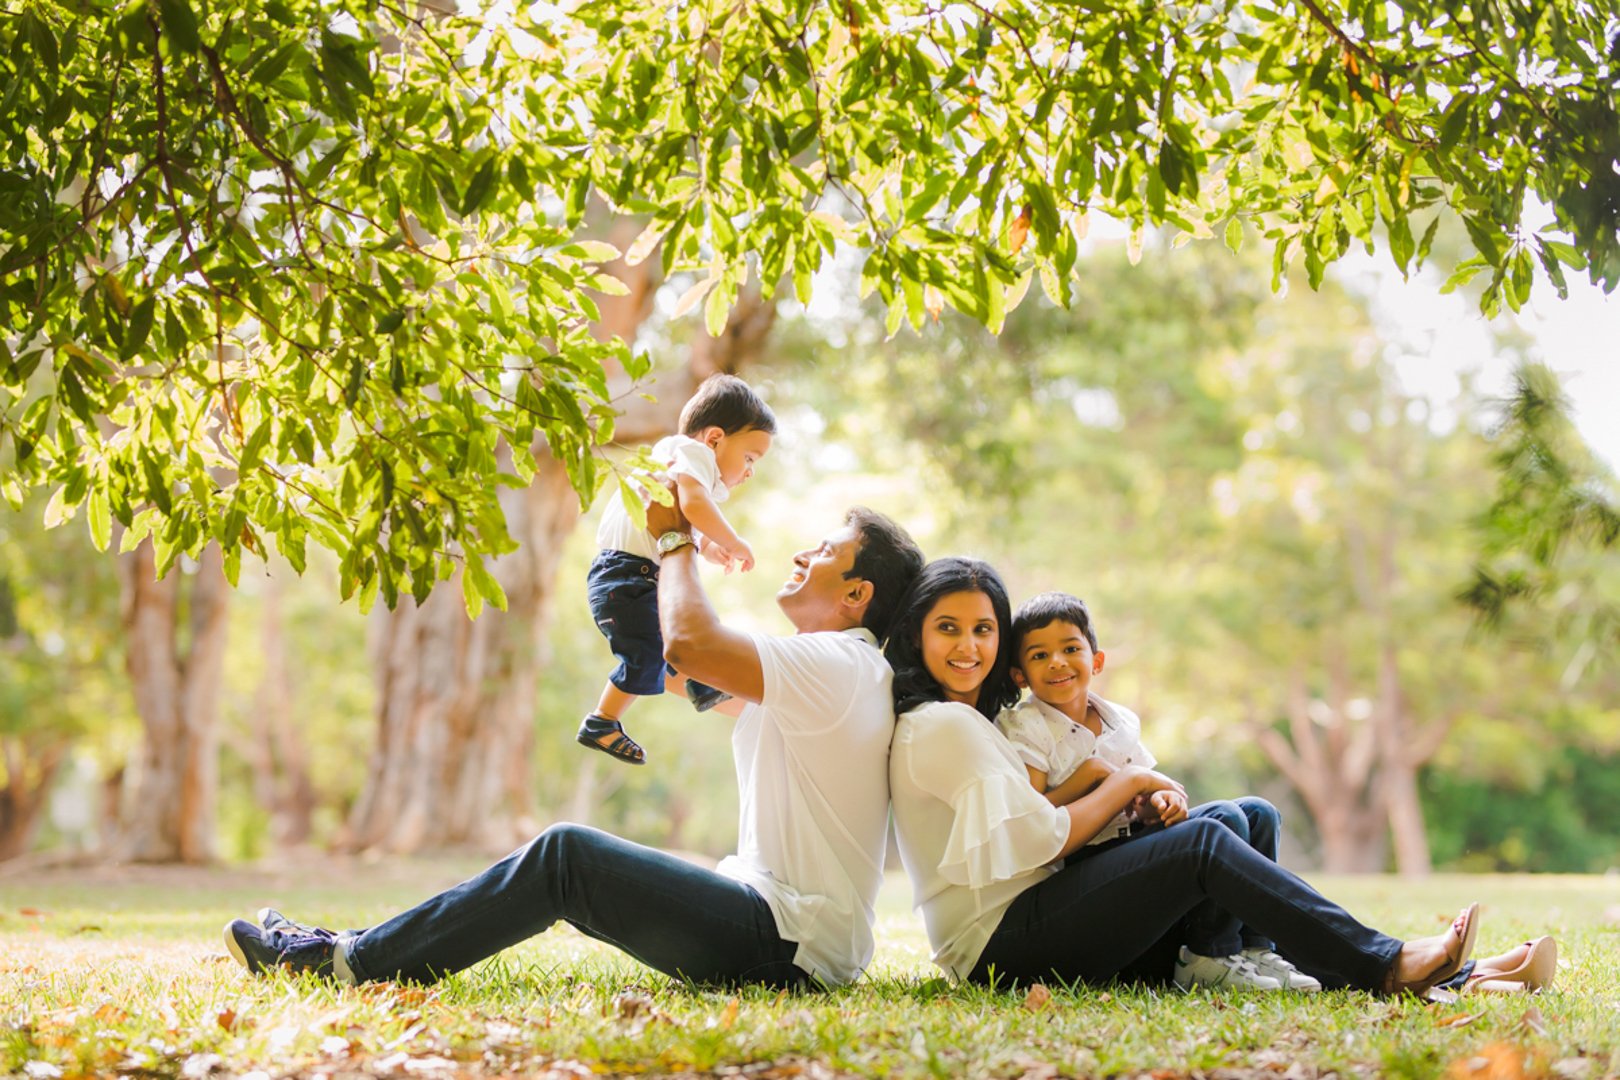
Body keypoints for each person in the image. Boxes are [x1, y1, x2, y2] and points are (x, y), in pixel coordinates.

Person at [223, 505, 926, 990]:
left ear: (857, 592)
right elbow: (685, 674)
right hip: (781, 930)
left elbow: (691, 645)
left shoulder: (840, 662)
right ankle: (350, 946)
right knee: (572, 860)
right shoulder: (828, 669)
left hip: (789, 946)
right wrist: (628, 584)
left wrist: (678, 539)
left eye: (826, 552)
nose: (804, 554)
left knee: (567, 856)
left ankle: (346, 964)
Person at [885, 556, 1486, 995]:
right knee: (1201, 844)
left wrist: (1143, 801)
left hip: (1055, 910)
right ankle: (1387, 962)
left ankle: (1455, 975)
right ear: (917, 634)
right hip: (999, 945)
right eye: (948, 628)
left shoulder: (976, 719)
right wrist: (1126, 783)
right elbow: (1040, 838)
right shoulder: (941, 724)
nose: (968, 646)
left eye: (983, 629)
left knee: (1244, 814)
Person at [996, 591, 1319, 991]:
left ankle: (1254, 950)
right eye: (1039, 655)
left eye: (1070, 648)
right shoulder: (1027, 726)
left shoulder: (1119, 720)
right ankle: (1207, 955)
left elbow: (1147, 787)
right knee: (1225, 819)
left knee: (1256, 812)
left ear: (1096, 661)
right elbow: (1035, 815)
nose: (1057, 662)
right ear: (1020, 675)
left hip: (1138, 838)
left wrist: (1160, 804)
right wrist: (1093, 775)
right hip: (1089, 859)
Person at [581, 373, 776, 766]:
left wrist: (707, 546)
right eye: (750, 458)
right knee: (652, 652)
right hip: (626, 577)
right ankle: (603, 721)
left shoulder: (672, 458)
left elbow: (678, 517)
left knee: (675, 631)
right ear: (715, 438)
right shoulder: (692, 454)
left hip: (627, 574)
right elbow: (693, 505)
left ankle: (701, 683)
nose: (750, 471)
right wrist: (734, 541)